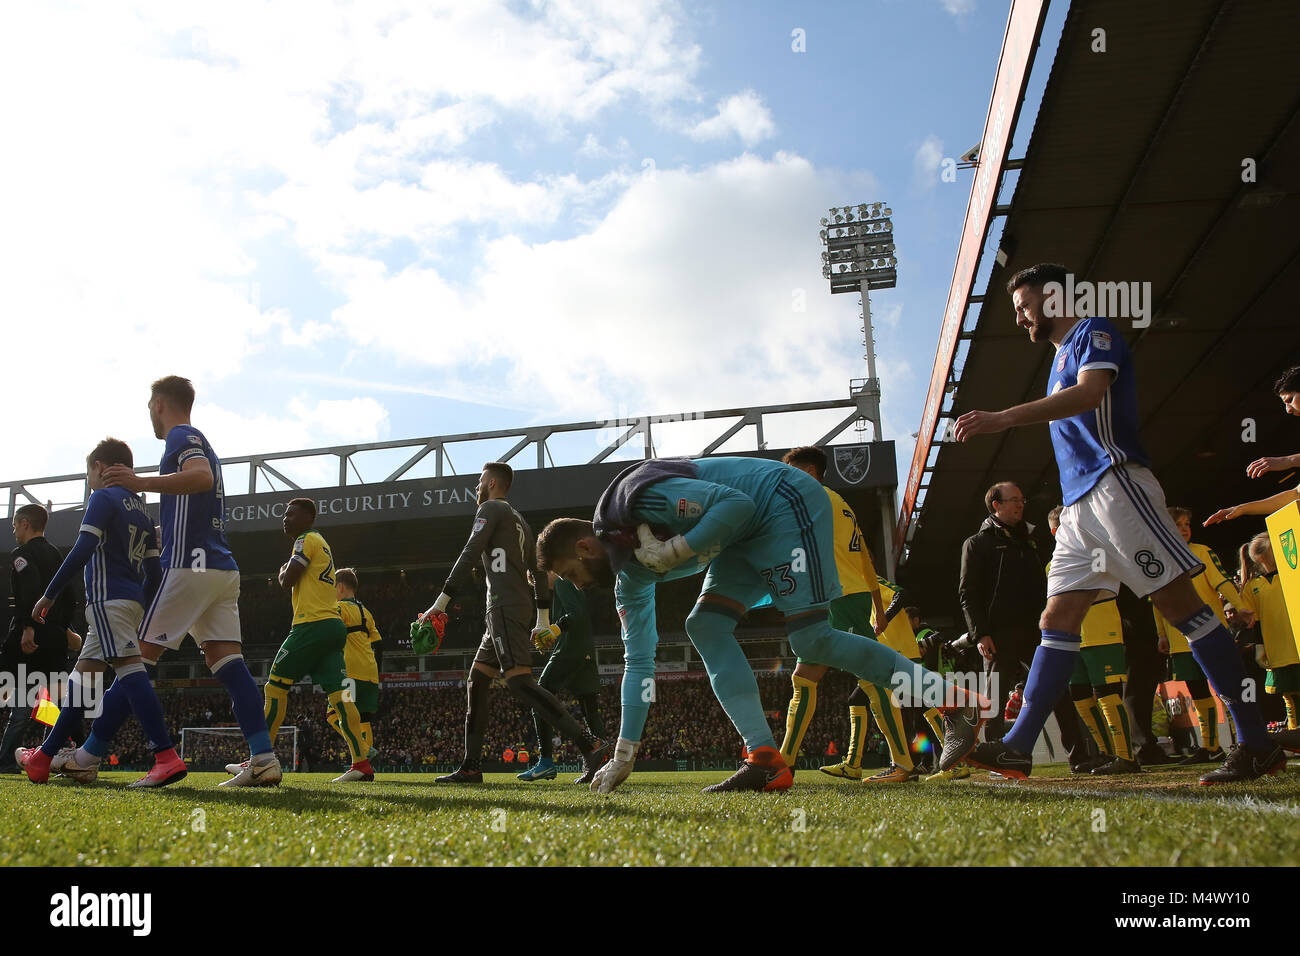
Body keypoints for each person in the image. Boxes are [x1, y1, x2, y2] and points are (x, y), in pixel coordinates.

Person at [954, 262, 1280, 783]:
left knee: (1181, 608)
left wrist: (1003, 417)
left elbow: (1089, 395)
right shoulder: (1058, 355)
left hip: (1116, 485)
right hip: (1079, 507)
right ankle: (1016, 747)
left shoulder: (1094, 330)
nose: (1020, 319)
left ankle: (1256, 742)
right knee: (1055, 622)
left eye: (1024, 306)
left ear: (1055, 298)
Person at [535, 455, 988, 795]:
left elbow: (737, 503)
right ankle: (765, 758)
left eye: (572, 574)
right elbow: (638, 662)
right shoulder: (628, 576)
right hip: (740, 537)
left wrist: (676, 550)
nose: (578, 585)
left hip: (780, 502)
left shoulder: (642, 500)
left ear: (583, 547)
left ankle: (953, 702)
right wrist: (624, 753)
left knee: (810, 637)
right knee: (706, 626)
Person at [95, 375, 277, 785]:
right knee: (229, 664)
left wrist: (140, 483)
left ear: (159, 403)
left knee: (133, 660)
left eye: (149, 406)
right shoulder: (202, 442)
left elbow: (200, 478)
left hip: (190, 568)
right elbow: (196, 496)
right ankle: (264, 757)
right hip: (219, 568)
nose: (149, 416)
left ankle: (89, 754)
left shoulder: (182, 436)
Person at [413, 462, 609, 784]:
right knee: (477, 680)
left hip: (503, 606)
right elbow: (537, 575)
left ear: (491, 483)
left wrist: (440, 604)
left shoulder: (490, 508)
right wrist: (542, 619)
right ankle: (471, 766)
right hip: (509, 609)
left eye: (479, 482)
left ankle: (589, 744)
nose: (477, 488)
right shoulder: (521, 521)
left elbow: (470, 551)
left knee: (519, 681)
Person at [16, 438, 184, 787]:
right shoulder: (141, 509)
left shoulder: (103, 498)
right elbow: (153, 572)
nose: (88, 478)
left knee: (130, 673)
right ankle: (44, 757)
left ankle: (165, 755)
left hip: (108, 601)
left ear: (99, 467)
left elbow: (82, 549)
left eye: (87, 470)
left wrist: (49, 595)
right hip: (129, 603)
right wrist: (145, 607)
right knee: (82, 679)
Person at [774, 446, 937, 785]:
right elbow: (866, 559)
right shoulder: (840, 504)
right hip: (840, 596)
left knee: (873, 680)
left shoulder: (810, 497)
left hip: (840, 596)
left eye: (789, 472)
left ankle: (905, 763)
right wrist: (877, 607)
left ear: (806, 473)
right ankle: (783, 762)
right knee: (804, 677)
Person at [228, 498, 372, 784]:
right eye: (284, 512)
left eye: (291, 513)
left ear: (308, 517)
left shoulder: (306, 539)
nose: (285, 518)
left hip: (311, 626)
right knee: (341, 698)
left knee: (275, 686)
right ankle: (361, 763)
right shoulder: (323, 543)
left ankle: (260, 759)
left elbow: (287, 579)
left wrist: (282, 570)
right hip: (332, 628)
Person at [958, 481, 1089, 769]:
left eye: (1022, 499)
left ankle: (1081, 756)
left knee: (1057, 690)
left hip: (1036, 631)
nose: (1021, 504)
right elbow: (968, 594)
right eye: (1014, 499)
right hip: (998, 635)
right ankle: (996, 757)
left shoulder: (1031, 539)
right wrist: (981, 633)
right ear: (997, 505)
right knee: (993, 700)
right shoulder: (977, 543)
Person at [1151, 507, 1248, 764]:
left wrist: (1240, 606)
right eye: (1178, 524)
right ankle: (1211, 747)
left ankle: (1245, 741)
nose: (1184, 529)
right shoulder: (1158, 560)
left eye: (1186, 524)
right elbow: (1157, 601)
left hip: (1210, 633)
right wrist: (1162, 634)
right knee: (1199, 693)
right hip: (1180, 640)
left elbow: (1223, 582)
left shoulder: (1202, 552)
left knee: (1227, 688)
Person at [1046, 505, 1137, 775]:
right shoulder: (1052, 564)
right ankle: (1107, 754)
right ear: (1055, 531)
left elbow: (1105, 589)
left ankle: (1126, 757)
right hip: (1072, 639)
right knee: (1081, 698)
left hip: (1102, 635)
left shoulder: (1098, 551)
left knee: (1107, 695)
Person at [1, 505, 76, 772]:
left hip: (30, 639)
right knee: (52, 702)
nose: (13, 531)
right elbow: (67, 594)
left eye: (14, 525)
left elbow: (29, 589)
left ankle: (7, 760)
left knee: (20, 706)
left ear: (24, 524)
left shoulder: (23, 554)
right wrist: (64, 628)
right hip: (54, 639)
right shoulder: (56, 554)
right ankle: (53, 754)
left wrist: (28, 626)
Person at [518, 571, 607, 784]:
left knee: (538, 696)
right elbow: (577, 617)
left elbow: (576, 615)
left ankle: (546, 762)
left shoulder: (562, 582)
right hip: (583, 651)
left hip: (570, 651)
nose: (538, 587)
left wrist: (555, 630)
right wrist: (553, 635)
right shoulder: (567, 585)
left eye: (536, 581)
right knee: (589, 709)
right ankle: (603, 768)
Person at [1236, 534, 1299, 730]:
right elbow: (1253, 623)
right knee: (1288, 693)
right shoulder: (1252, 587)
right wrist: (1260, 648)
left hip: (1296, 644)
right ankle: (1294, 733)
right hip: (1278, 651)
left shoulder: (1293, 574)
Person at [334, 567, 382, 766]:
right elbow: (379, 644)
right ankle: (365, 765)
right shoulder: (366, 613)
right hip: (370, 674)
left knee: (334, 714)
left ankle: (363, 751)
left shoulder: (338, 609)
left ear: (341, 587)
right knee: (362, 718)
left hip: (349, 675)